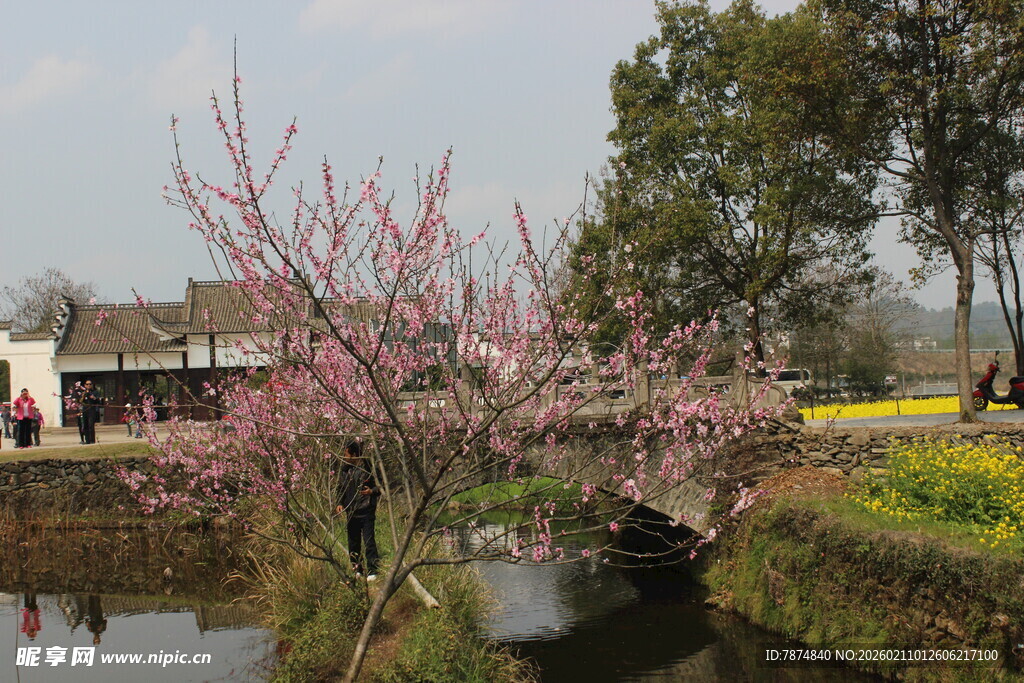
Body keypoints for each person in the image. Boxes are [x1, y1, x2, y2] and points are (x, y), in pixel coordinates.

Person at [335, 441, 381, 579]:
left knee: (369, 541)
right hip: (351, 512)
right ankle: (357, 569)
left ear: (354, 455)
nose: (345, 457)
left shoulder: (368, 468)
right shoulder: (345, 471)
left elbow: (381, 486)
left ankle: (373, 570)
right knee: (353, 543)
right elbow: (340, 488)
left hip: (366, 510)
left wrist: (371, 491)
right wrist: (339, 503)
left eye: (347, 454)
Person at [81, 380, 101, 444]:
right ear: (85, 385)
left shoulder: (95, 392)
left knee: (91, 425)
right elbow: (80, 401)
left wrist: (94, 398)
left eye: (90, 384)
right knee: (85, 425)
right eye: (87, 384)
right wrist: (83, 396)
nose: (88, 385)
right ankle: (87, 440)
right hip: (85, 409)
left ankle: (92, 440)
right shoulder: (83, 392)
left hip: (92, 409)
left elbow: (99, 401)